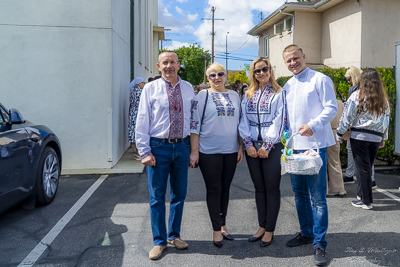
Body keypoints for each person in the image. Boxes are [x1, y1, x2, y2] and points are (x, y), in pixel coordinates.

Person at [135, 51, 194, 260]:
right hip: (158, 147)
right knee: (157, 196)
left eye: (172, 62)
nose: (169, 66)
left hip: (182, 147)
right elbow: (142, 120)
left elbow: (194, 120)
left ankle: (174, 235)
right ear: (158, 66)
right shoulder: (150, 88)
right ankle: (159, 241)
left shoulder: (188, 89)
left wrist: (192, 149)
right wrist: (144, 151)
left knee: (179, 194)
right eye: (165, 63)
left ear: (179, 65)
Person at [282, 44, 337, 266]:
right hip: (295, 147)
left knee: (318, 198)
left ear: (304, 56)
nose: (293, 63)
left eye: (296, 58)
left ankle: (320, 243)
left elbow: (331, 108)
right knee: (299, 194)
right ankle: (306, 232)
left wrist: (313, 124)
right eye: (288, 61)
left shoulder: (320, 79)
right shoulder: (287, 84)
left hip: (316, 146)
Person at [189, 63, 243, 248]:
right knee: (214, 189)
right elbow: (194, 125)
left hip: (230, 150)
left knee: (226, 189)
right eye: (212, 75)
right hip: (208, 151)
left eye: (220, 74)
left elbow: (239, 123)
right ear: (207, 78)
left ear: (226, 75)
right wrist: (194, 152)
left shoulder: (235, 95)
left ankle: (223, 224)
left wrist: (240, 147)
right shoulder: (202, 96)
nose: (217, 77)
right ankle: (215, 229)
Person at [239, 57, 287, 247]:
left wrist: (266, 146)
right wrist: (248, 144)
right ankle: (261, 225)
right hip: (252, 146)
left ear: (270, 70)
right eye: (257, 71)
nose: (261, 73)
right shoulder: (248, 94)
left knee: (272, 188)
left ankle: (270, 229)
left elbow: (280, 120)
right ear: (253, 74)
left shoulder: (279, 92)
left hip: (272, 147)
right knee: (259, 188)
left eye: (264, 69)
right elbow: (243, 121)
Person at [337, 68, 390, 210]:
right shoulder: (383, 99)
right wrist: (383, 137)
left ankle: (366, 201)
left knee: (362, 169)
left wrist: (340, 133)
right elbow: (386, 120)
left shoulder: (356, 96)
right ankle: (362, 196)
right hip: (375, 137)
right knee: (367, 167)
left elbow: (347, 116)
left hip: (359, 136)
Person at [343, 67, 377, 188]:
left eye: (348, 79)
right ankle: (370, 179)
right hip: (372, 127)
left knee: (353, 151)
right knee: (367, 155)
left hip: (357, 126)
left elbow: (349, 112)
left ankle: (351, 175)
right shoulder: (373, 90)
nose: (348, 81)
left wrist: (341, 131)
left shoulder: (354, 90)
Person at [327, 96, 346, 196]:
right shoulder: (339, 103)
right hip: (335, 132)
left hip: (322, 132)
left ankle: (322, 189)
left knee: (320, 162)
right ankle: (339, 189)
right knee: (335, 161)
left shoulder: (321, 102)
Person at [128, 77, 145, 160]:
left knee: (135, 132)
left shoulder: (133, 91)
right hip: (138, 114)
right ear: (138, 83)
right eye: (143, 83)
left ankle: (137, 152)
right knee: (139, 132)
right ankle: (138, 154)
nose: (144, 84)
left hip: (133, 113)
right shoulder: (139, 91)